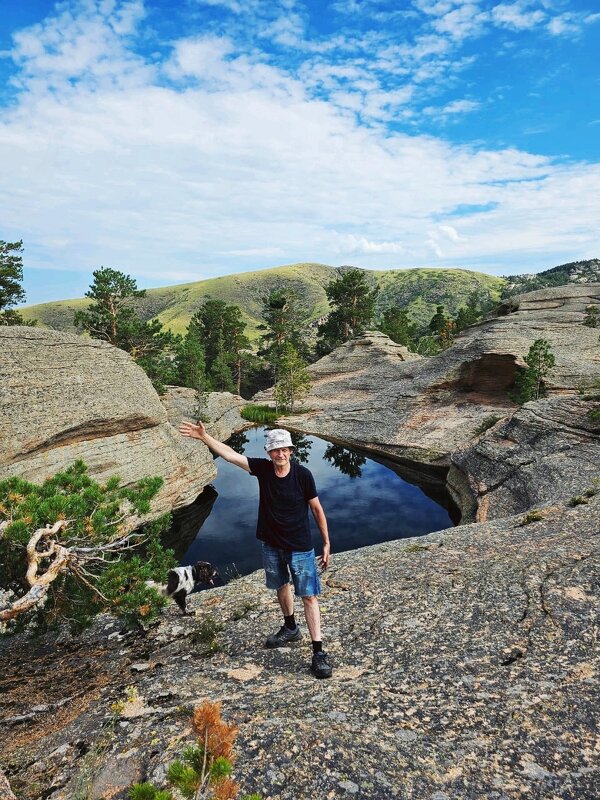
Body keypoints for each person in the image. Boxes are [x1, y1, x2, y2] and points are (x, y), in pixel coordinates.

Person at [179, 422, 333, 679]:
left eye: (284, 449)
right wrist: (205, 437)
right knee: (281, 585)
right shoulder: (262, 469)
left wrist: (326, 542)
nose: (280, 454)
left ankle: (318, 652)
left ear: (291, 451)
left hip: (300, 546)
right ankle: (290, 627)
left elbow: (317, 509)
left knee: (308, 596)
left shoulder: (303, 475)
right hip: (271, 544)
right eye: (275, 450)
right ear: (269, 452)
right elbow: (230, 455)